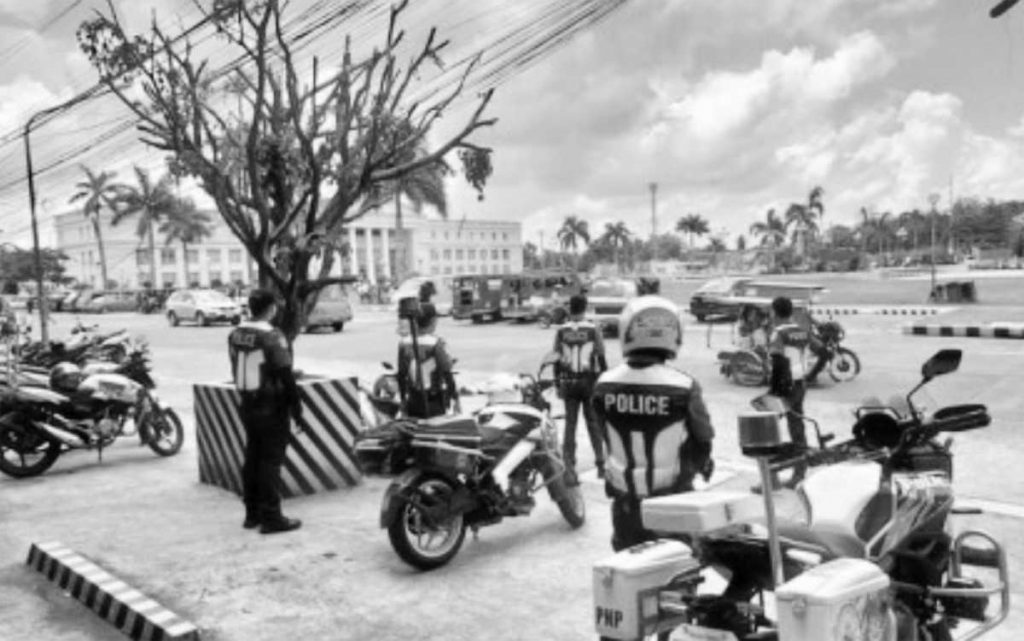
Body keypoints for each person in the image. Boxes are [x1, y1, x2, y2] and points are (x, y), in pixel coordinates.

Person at [593, 296, 715, 551]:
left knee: (626, 569)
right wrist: (701, 464)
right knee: (678, 570)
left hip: (625, 503)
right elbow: (703, 438)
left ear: (627, 331)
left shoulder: (603, 384)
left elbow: (602, 431)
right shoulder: (684, 386)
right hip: (672, 501)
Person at [227, 288, 303, 534]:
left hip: (247, 404)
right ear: (271, 308)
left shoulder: (236, 334)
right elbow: (285, 374)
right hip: (272, 406)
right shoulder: (272, 336)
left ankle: (252, 513)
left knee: (252, 458)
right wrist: (296, 407)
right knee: (270, 462)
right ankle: (272, 517)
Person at [553, 293, 607, 484]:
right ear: (585, 308)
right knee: (593, 423)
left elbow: (556, 359)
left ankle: (569, 467)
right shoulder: (593, 329)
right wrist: (604, 383)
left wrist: (557, 383)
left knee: (570, 425)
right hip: (589, 383)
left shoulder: (561, 331)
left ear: (570, 309)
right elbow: (601, 357)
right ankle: (601, 465)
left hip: (568, 382)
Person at [763, 295, 811, 490]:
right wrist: (808, 375)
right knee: (796, 425)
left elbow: (777, 360)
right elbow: (823, 351)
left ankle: (771, 479)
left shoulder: (778, 333)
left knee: (765, 426)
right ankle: (799, 473)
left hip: (784, 385)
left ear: (774, 312)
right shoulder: (803, 331)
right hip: (800, 384)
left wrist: (775, 390)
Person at [396, 301, 460, 419]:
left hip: (413, 401)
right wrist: (455, 398)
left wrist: (403, 401)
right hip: (434, 402)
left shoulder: (403, 343)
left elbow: (401, 375)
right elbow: (447, 373)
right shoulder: (436, 343)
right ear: (433, 321)